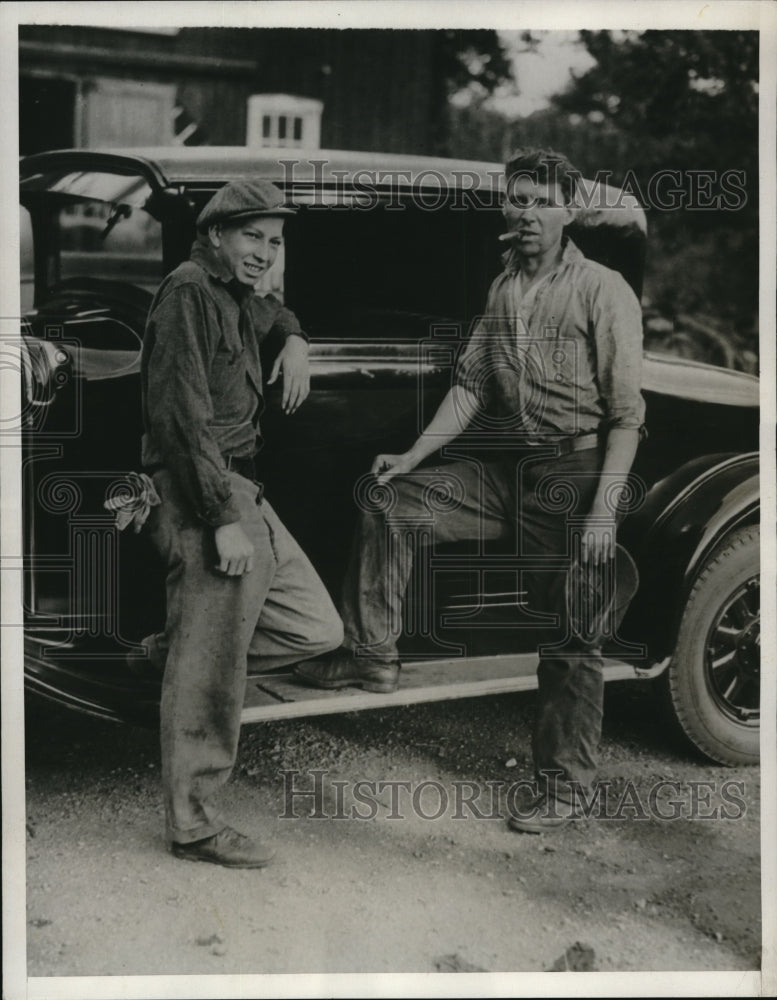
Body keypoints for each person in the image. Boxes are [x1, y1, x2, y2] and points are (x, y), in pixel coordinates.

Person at [295, 148, 645, 834]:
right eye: (514, 199)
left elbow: (627, 417)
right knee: (391, 503)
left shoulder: (603, 290)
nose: (523, 213)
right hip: (507, 468)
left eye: (539, 200)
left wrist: (603, 513)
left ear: (568, 209)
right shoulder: (502, 287)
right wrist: (410, 454)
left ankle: (565, 786)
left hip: (571, 475)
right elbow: (469, 385)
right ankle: (372, 657)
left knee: (570, 633)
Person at [140, 178, 343, 867]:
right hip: (204, 488)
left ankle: (181, 656)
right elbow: (179, 414)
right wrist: (218, 515)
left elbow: (272, 310)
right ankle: (192, 824)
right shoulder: (190, 291)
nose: (264, 251)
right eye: (251, 236)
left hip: (238, 488)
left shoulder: (236, 293)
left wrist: (296, 340)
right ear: (216, 235)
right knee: (212, 658)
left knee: (316, 626)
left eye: (275, 241)